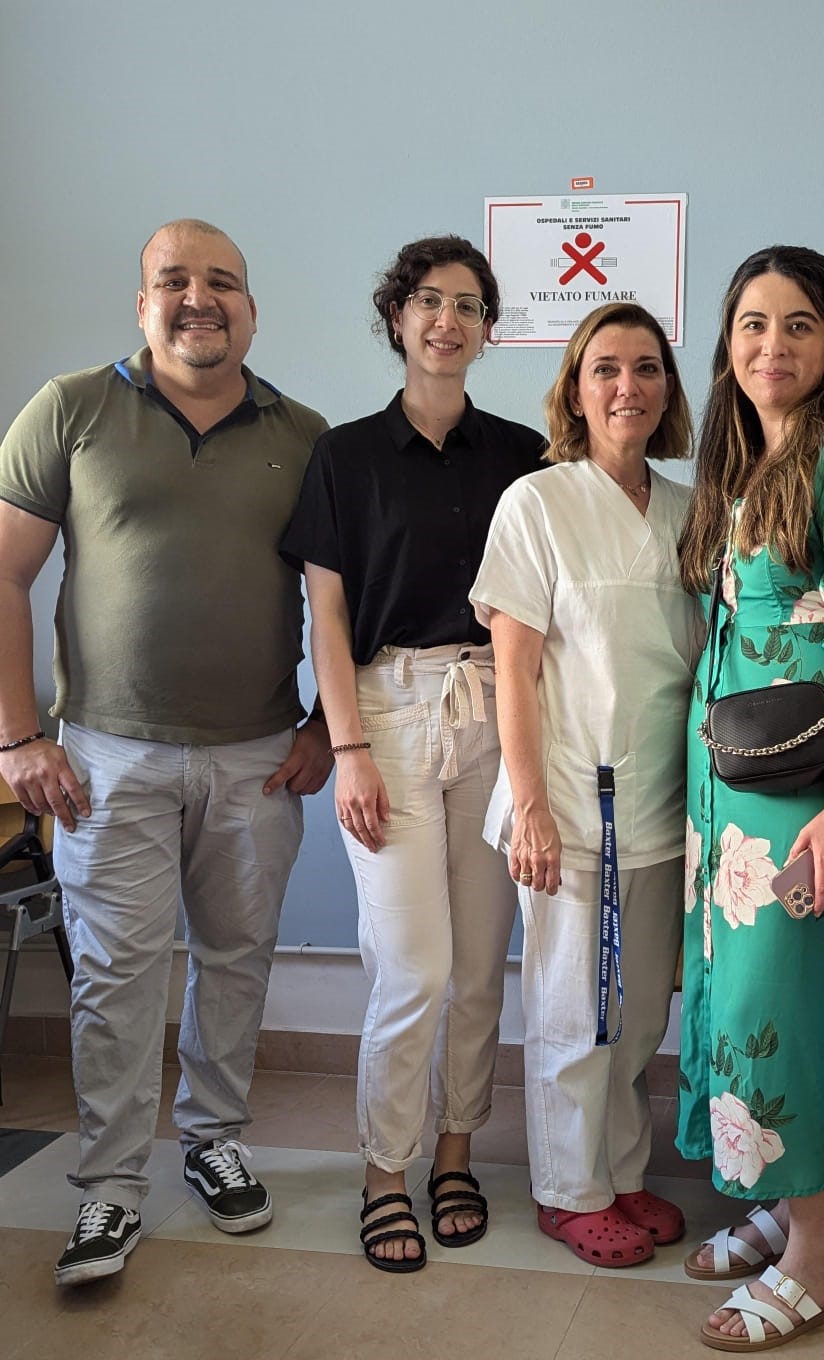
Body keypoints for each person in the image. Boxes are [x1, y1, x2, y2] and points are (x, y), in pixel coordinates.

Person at [0, 219, 331, 1287]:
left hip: (258, 755)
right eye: (174, 280)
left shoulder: (305, 433)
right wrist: (15, 736)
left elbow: (347, 601)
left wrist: (329, 725)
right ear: (142, 303)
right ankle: (107, 1188)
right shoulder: (71, 410)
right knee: (116, 975)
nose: (200, 298)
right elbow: (3, 574)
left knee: (236, 960)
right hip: (106, 757)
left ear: (250, 307)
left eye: (222, 281)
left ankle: (213, 1140)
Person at [281, 236, 545, 1273]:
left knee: (480, 964)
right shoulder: (342, 456)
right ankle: (382, 1170)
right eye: (428, 302)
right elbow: (327, 618)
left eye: (468, 305)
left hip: (491, 708)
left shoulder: (520, 453)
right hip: (386, 714)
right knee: (415, 966)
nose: (447, 320)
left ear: (488, 329)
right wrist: (346, 747)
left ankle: (452, 1152)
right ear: (397, 318)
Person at [676, 246, 824, 1350]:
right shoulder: (739, 464)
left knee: (793, 1007)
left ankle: (820, 1258)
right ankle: (784, 1202)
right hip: (730, 793)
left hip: (807, 791)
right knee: (748, 1005)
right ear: (727, 342)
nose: (772, 345)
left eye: (800, 326)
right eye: (752, 324)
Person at [470, 302, 697, 1268]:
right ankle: (569, 1189)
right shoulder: (537, 502)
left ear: (667, 391)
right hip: (568, 803)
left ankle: (623, 1174)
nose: (627, 387)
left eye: (647, 369)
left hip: (664, 805)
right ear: (575, 386)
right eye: (606, 368)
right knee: (577, 1009)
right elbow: (511, 670)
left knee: (641, 1010)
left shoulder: (693, 511)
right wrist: (529, 809)